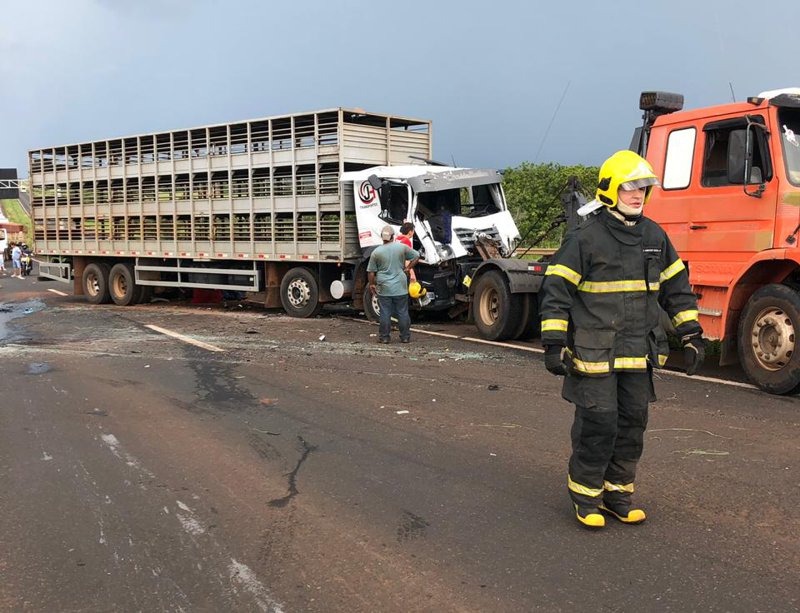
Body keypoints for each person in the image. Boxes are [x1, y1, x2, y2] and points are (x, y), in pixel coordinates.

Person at [539, 150, 704, 530]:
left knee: (632, 423)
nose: (638, 194)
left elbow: (677, 289)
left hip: (638, 352)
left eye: (643, 187)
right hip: (594, 353)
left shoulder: (654, 236)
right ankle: (586, 497)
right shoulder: (585, 237)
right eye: (630, 186)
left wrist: (691, 335)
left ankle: (618, 496)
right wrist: (553, 343)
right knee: (599, 424)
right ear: (611, 189)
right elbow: (557, 293)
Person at [367, 225, 420, 344]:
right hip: (400, 286)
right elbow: (416, 256)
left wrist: (372, 284)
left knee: (385, 312)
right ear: (392, 236)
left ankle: (384, 337)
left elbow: (371, 272)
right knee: (402, 311)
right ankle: (405, 337)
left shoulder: (376, 252)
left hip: (384, 287)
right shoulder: (402, 248)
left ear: (382, 237)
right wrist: (408, 268)